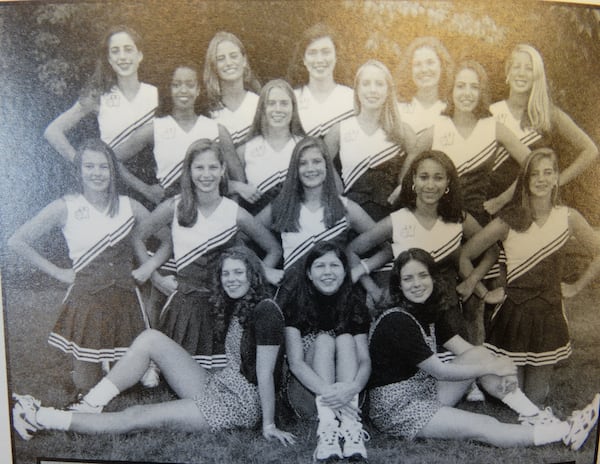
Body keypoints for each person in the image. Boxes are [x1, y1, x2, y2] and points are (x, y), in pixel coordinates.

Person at [12, 247, 296, 447]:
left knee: (135, 417)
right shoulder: (242, 304)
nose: (231, 279)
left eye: (238, 273)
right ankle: (91, 403)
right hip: (223, 384)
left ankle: (38, 416)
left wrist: (268, 425)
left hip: (239, 404)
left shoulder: (266, 311)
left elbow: (265, 375)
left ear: (253, 275)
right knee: (151, 339)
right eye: (226, 274)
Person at [368, 248, 600, 451]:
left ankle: (534, 416)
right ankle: (566, 430)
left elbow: (468, 351)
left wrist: (502, 370)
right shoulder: (397, 320)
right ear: (398, 284)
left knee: (480, 354)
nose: (417, 284)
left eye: (422, 275)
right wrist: (492, 366)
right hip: (397, 408)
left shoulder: (427, 311)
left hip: (423, 390)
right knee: (484, 426)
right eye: (408, 279)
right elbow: (441, 372)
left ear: (433, 278)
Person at [7, 139, 170, 392]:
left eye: (103, 167)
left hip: (125, 300)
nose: (97, 173)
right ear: (79, 170)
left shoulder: (130, 206)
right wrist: (58, 272)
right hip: (87, 301)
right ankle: (102, 363)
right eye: (89, 166)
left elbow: (168, 241)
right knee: (86, 385)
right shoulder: (66, 206)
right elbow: (17, 241)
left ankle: (140, 363)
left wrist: (149, 268)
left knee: (128, 384)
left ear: (113, 171)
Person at [459, 148, 600, 405]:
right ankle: (487, 377)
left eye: (548, 172)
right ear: (524, 179)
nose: (541, 179)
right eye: (534, 174)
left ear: (557, 177)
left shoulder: (568, 217)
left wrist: (576, 287)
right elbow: (464, 256)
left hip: (549, 313)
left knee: (532, 399)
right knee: (511, 396)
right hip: (513, 314)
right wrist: (483, 292)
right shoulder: (508, 221)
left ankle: (530, 385)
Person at [134, 139, 283, 369]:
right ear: (189, 170)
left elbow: (273, 248)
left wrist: (255, 276)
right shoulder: (174, 207)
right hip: (186, 306)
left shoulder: (235, 213)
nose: (206, 174)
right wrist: (155, 277)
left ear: (223, 170)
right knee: (184, 375)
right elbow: (137, 237)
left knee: (226, 373)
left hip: (225, 305)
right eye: (199, 167)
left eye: (213, 167)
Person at [349, 150, 500, 346]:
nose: (430, 185)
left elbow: (492, 250)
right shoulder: (398, 220)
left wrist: (472, 281)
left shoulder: (458, 219)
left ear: (448, 183)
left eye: (438, 178)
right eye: (424, 177)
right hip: (408, 310)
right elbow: (351, 250)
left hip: (448, 310)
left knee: (459, 366)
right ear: (413, 180)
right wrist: (373, 290)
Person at [257, 136, 384, 306]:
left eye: (316, 161)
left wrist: (361, 271)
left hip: (336, 299)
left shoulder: (346, 208)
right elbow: (240, 239)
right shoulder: (281, 207)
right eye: (303, 163)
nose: (310, 168)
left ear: (327, 165)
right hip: (293, 300)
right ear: (295, 169)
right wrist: (265, 270)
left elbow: (389, 247)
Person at [284, 242, 371, 462]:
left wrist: (352, 388)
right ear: (309, 273)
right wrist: (331, 395)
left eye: (334, 265)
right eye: (320, 266)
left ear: (344, 271)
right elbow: (295, 363)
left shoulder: (355, 305)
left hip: (349, 398)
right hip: (309, 395)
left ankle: (352, 431)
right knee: (323, 340)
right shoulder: (295, 302)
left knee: (344, 339)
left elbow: (364, 360)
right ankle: (327, 430)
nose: (328, 272)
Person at [486, 44, 598, 214]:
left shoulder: (548, 114)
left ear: (537, 76)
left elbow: (590, 150)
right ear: (508, 73)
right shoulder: (491, 112)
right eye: (517, 67)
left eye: (529, 68)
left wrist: (556, 181)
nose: (522, 73)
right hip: (492, 205)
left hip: (534, 206)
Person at [417, 60, 530, 226]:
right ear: (451, 90)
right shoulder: (438, 126)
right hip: (437, 220)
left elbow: (534, 163)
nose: (467, 93)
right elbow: (410, 169)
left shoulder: (493, 127)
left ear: (482, 92)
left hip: (478, 220)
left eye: (474, 87)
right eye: (461, 86)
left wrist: (502, 199)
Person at [113, 64, 239, 205]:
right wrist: (146, 190)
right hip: (172, 209)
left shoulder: (217, 130)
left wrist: (228, 213)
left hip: (210, 207)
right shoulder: (155, 128)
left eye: (190, 85)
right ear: (169, 89)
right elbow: (111, 158)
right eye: (176, 85)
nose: (183, 90)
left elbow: (240, 182)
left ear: (198, 90)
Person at [44, 26, 157, 170]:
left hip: (156, 181)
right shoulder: (99, 96)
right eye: (115, 51)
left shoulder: (156, 94)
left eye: (128, 49)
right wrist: (81, 164)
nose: (122, 57)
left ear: (139, 55)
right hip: (114, 178)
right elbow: (53, 131)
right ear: (109, 59)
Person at [324, 60, 417, 222]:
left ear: (388, 91)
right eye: (366, 84)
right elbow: (321, 162)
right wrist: (337, 188)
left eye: (379, 84)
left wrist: (405, 184)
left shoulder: (403, 131)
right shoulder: (339, 130)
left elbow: (420, 163)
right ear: (357, 90)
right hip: (351, 217)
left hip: (389, 217)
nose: (372, 90)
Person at [229, 79, 305, 215]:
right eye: (271, 103)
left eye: (284, 103)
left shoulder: (305, 146)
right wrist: (237, 186)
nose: (278, 109)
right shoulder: (245, 150)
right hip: (259, 226)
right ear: (262, 109)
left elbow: (334, 188)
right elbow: (219, 186)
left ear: (293, 108)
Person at [288, 24, 354, 138]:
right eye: (312, 53)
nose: (319, 60)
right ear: (304, 59)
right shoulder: (292, 99)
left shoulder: (351, 98)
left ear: (336, 55)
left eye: (326, 52)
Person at [203, 31, 261, 146]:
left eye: (234, 56)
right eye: (220, 59)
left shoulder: (260, 104)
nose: (228, 63)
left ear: (244, 60)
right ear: (213, 66)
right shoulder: (209, 114)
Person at [396, 37, 454, 136]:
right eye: (417, 64)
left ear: (442, 66)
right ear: (409, 70)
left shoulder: (453, 110)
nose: (424, 69)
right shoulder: (398, 109)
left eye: (430, 63)